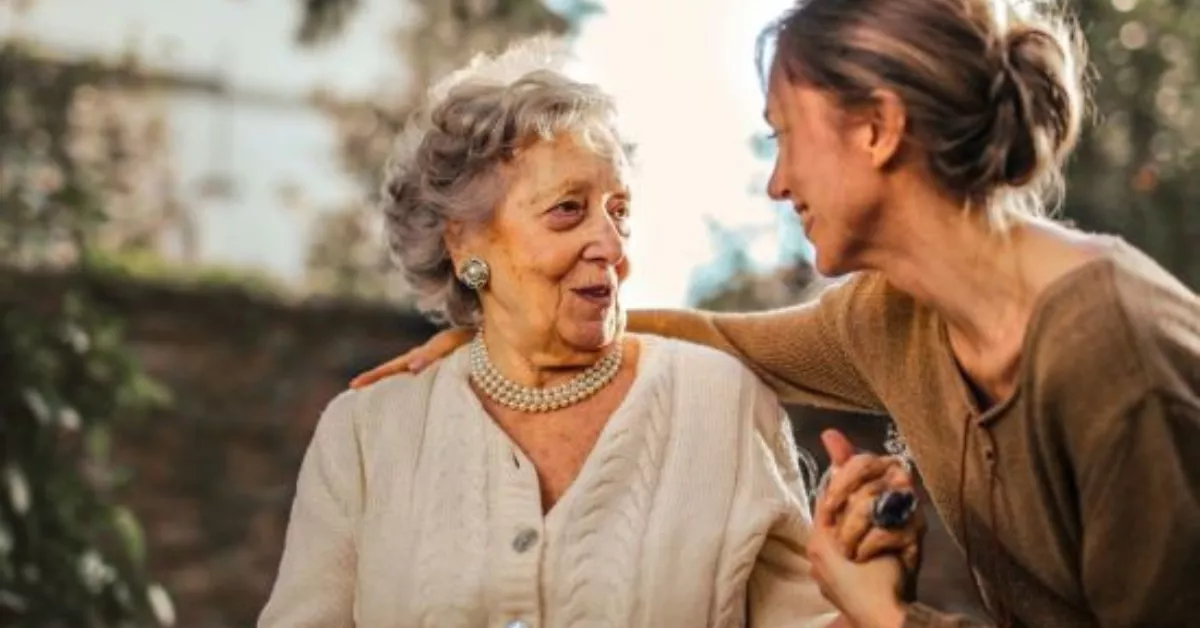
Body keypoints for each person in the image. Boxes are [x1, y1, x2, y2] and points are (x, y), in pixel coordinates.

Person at [349, 0, 1200, 627]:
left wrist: (887, 619)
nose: (777, 182)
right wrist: (499, 320)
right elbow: (718, 338)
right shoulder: (891, 319)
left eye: (784, 136)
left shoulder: (1112, 357)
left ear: (876, 129)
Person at [259, 38, 921, 628]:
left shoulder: (721, 403)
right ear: (464, 244)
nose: (609, 244)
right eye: (568, 211)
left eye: (620, 211)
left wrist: (869, 595)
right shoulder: (367, 434)